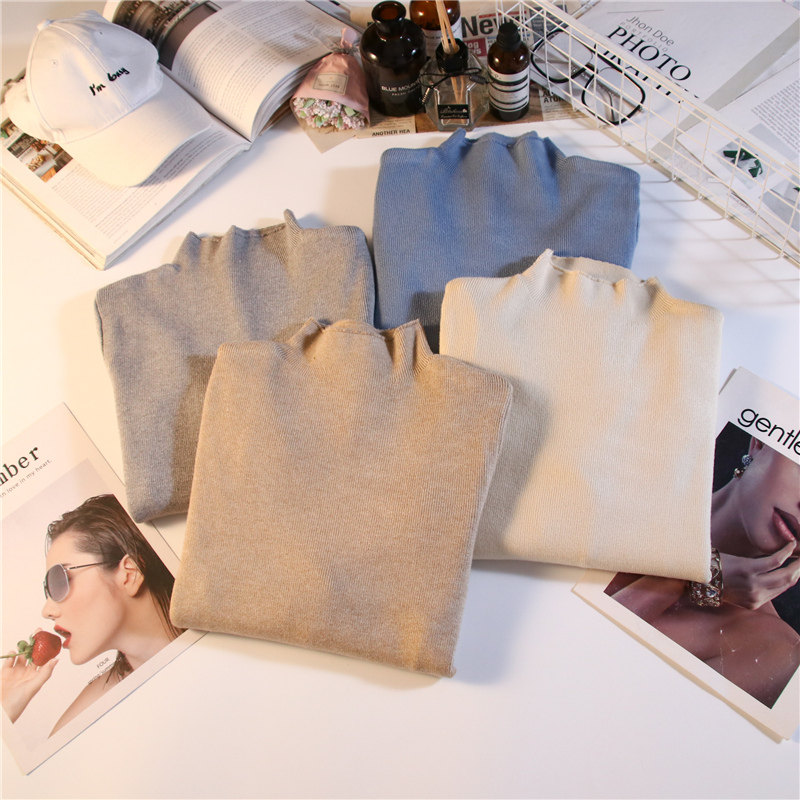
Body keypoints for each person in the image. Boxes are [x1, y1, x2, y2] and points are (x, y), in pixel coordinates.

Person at [607, 434, 800, 709]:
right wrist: (703, 571)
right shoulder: (628, 486)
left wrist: (697, 576)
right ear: (760, 443)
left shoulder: (776, 652)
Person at [1, 494, 182, 734]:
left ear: (130, 574)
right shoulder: (83, 721)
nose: (47, 611)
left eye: (59, 581)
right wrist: (5, 708)